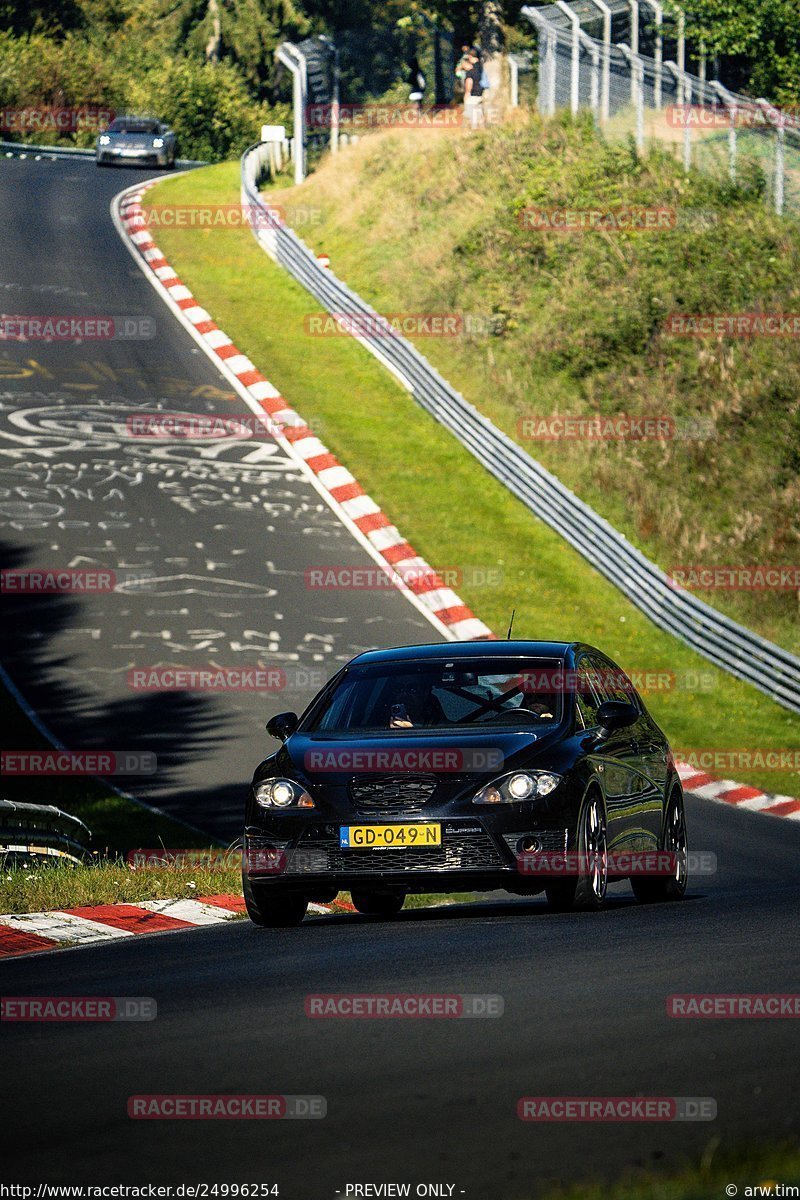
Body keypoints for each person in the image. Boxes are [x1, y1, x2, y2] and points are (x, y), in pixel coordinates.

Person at [463, 47, 486, 129]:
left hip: (472, 95)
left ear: (470, 56)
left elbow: (469, 83)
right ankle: (483, 132)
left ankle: (474, 132)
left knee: (472, 116)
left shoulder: (471, 71)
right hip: (480, 94)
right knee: (480, 114)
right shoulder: (481, 68)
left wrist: (467, 94)